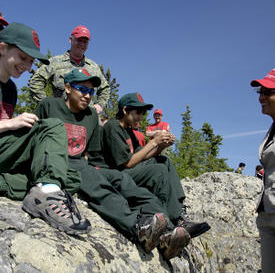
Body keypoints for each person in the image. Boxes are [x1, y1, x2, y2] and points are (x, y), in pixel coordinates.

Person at [34, 68, 191, 260]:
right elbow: (35, 139)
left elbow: (89, 154)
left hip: (82, 164)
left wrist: (96, 171)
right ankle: (138, 228)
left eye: (91, 92)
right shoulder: (49, 105)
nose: (87, 95)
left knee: (123, 180)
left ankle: (167, 231)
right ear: (67, 88)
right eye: (82, 89)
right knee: (99, 186)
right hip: (56, 162)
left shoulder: (91, 115)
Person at [0, 22, 91, 235]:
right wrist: (10, 123)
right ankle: (47, 195)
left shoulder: (11, 89)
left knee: (70, 176)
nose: (26, 65)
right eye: (22, 57)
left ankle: (43, 190)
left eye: (30, 61)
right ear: (2, 48)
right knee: (51, 126)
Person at [102, 92, 210, 240]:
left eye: (143, 113)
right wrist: (154, 142)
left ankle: (180, 214)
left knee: (164, 161)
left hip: (129, 170)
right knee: (158, 171)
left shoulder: (129, 131)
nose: (141, 116)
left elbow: (142, 156)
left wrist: (161, 146)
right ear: (125, 110)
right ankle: (175, 220)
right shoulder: (112, 127)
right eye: (138, 112)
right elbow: (127, 162)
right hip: (117, 175)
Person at [28, 25, 110, 114]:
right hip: (61, 116)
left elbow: (105, 88)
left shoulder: (93, 67)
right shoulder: (55, 62)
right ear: (71, 40)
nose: (82, 44)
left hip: (86, 118)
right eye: (79, 40)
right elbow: (35, 81)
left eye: (85, 42)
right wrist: (47, 105)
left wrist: (100, 105)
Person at [250, 68, 275, 272]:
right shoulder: (271, 130)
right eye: (260, 92)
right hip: (268, 215)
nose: (262, 97)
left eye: (268, 92)